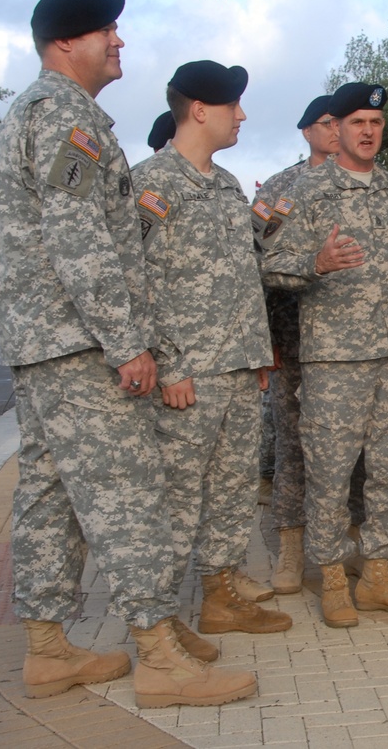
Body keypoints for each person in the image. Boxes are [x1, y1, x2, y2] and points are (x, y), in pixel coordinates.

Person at [0, 0, 255, 708]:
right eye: (107, 30)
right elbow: (80, 238)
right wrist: (127, 341)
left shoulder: (48, 113)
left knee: (50, 496)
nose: (120, 41)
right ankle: (160, 658)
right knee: (128, 493)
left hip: (47, 341)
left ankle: (47, 648)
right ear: (65, 41)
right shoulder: (65, 118)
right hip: (78, 344)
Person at [261, 82, 388, 629]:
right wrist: (316, 261)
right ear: (335, 129)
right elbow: (270, 264)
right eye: (357, 121)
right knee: (331, 473)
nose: (367, 131)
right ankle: (333, 578)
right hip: (333, 358)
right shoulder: (306, 190)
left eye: (376, 124)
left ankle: (378, 574)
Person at [132, 60, 291, 644]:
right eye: (233, 105)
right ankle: (162, 621)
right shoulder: (151, 184)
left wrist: (256, 356)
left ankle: (220, 596)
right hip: (188, 377)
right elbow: (135, 280)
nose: (242, 115)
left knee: (231, 490)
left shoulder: (225, 185)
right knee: (177, 501)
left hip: (237, 369)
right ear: (200, 109)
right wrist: (169, 364)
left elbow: (241, 274)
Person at [252, 94, 367, 594]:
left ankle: (355, 535)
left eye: (338, 123)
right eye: (325, 124)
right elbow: (252, 266)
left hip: (350, 340)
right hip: (293, 338)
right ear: (306, 132)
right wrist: (263, 341)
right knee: (293, 441)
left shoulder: (365, 183)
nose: (335, 131)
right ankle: (292, 546)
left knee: (357, 443)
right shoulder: (281, 188)